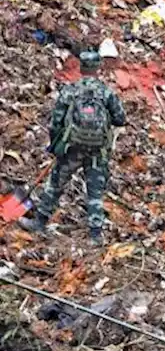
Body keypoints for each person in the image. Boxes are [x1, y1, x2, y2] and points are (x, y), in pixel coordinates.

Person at [19, 52, 127, 243]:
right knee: (95, 190)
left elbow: (56, 122)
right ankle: (95, 235)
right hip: (97, 151)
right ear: (97, 68)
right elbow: (120, 118)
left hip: (71, 148)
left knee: (56, 184)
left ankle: (40, 222)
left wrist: (56, 146)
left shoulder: (70, 91)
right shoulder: (106, 92)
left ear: (81, 67)